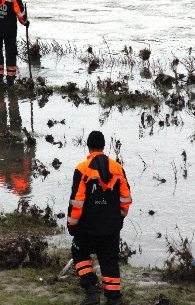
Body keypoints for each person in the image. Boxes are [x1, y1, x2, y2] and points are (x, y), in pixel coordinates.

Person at [67, 131, 132, 305]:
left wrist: (72, 225)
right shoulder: (118, 168)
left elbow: (77, 202)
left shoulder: (82, 169)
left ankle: (91, 290)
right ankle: (113, 298)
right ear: (104, 146)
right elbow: (126, 199)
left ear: (88, 146)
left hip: (88, 228)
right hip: (111, 227)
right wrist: (119, 219)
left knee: (79, 251)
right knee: (109, 259)